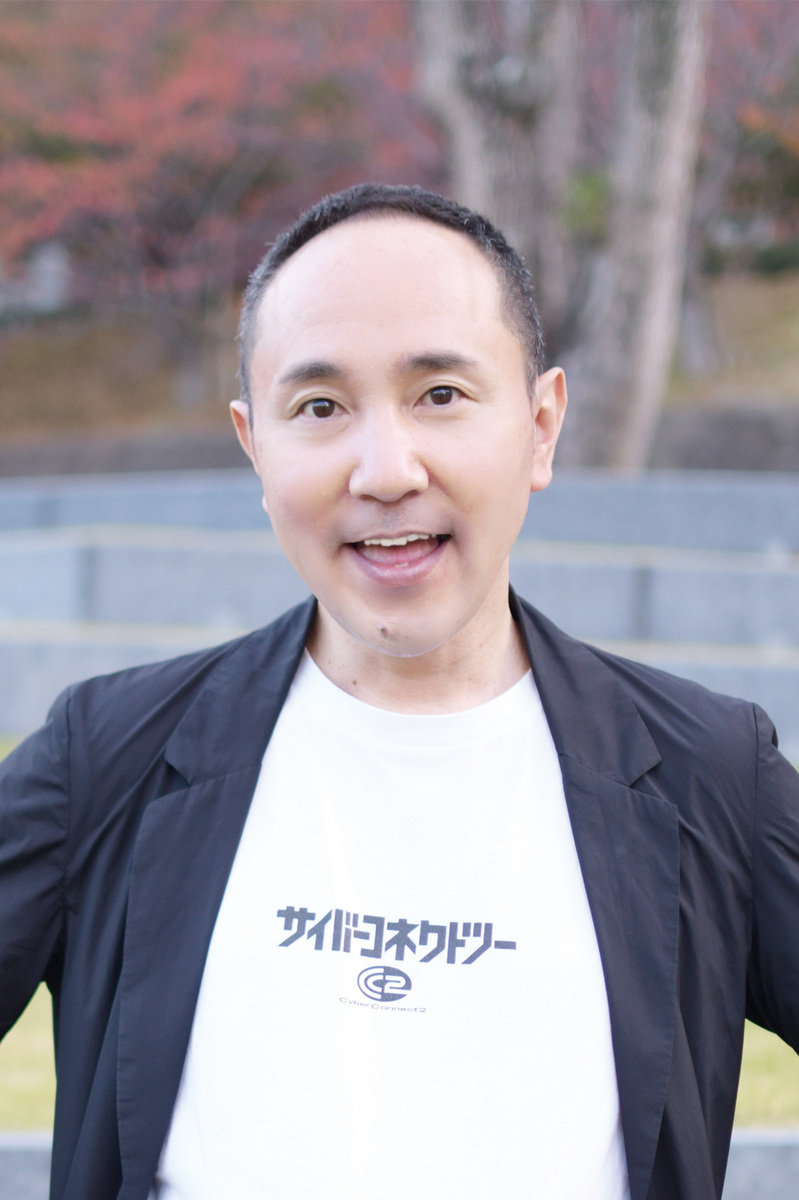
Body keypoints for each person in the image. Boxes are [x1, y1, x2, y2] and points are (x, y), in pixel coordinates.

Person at [1, 183, 798, 1200]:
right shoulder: (107, 757)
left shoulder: (707, 776)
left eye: (441, 395)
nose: (384, 471)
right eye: (320, 408)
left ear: (540, 425)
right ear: (255, 447)